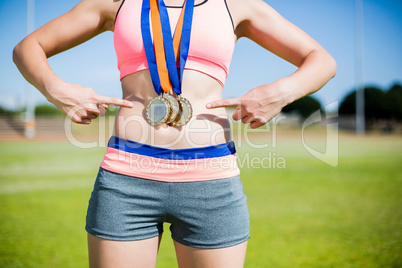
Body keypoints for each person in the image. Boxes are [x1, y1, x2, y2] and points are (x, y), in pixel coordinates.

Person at [13, 0, 336, 267]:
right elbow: (28, 47)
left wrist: (279, 92)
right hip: (126, 180)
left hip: (212, 181)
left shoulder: (234, 4)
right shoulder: (116, 2)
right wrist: (56, 89)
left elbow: (321, 60)